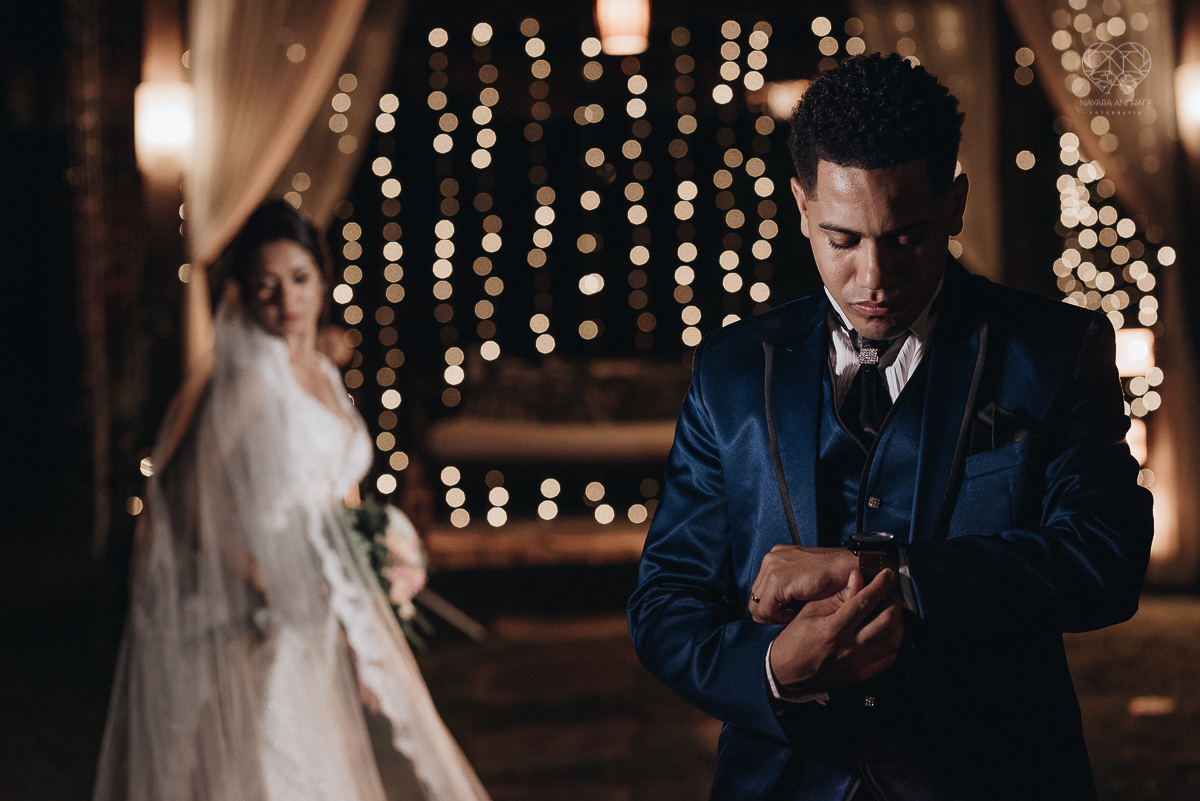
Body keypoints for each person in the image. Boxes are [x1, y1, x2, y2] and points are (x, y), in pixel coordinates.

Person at [628, 54, 1153, 801]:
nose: (874, 277)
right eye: (843, 239)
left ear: (956, 203)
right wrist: (775, 668)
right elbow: (666, 600)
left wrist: (889, 578)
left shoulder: (1055, 351)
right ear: (802, 207)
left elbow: (1105, 557)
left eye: (905, 236)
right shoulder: (732, 371)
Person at [92, 200, 490, 801]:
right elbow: (178, 490)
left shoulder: (322, 368)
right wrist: (258, 576)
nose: (287, 304)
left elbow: (332, 488)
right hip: (273, 610)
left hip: (325, 606)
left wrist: (373, 555)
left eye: (300, 280)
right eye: (265, 287)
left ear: (323, 276)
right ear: (243, 294)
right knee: (282, 761)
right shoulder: (253, 377)